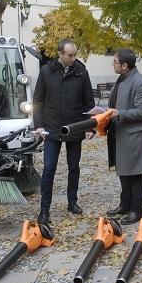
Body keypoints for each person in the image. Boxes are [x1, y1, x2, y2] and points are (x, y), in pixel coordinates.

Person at [33, 39, 95, 225]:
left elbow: (89, 102)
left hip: (74, 127)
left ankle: (72, 202)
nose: (73, 58)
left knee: (74, 167)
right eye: (70, 55)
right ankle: (44, 210)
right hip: (52, 128)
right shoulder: (46, 71)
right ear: (60, 54)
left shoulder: (81, 72)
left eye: (75, 54)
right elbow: (38, 100)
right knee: (49, 169)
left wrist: (90, 126)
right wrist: (39, 126)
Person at [106, 48, 142, 225]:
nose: (113, 64)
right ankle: (125, 204)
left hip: (133, 136)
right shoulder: (123, 78)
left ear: (125, 65)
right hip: (119, 133)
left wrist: (118, 114)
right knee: (123, 172)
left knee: (135, 174)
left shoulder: (141, 82)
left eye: (115, 62)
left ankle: (137, 210)